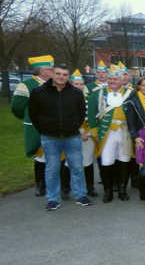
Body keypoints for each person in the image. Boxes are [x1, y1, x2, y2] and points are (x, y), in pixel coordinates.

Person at [28, 63, 91, 210]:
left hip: (72, 137)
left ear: (68, 76)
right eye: (58, 74)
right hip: (50, 138)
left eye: (64, 74)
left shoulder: (75, 93)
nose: (61, 77)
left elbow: (81, 113)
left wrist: (73, 126)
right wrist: (44, 129)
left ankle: (80, 195)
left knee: (77, 167)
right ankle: (53, 199)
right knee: (52, 169)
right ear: (52, 74)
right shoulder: (39, 92)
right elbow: (34, 114)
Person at [88, 64, 134, 203]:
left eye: (115, 79)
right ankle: (108, 191)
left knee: (124, 160)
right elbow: (91, 113)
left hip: (124, 131)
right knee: (106, 161)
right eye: (110, 79)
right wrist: (94, 129)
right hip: (106, 132)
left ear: (122, 80)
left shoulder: (130, 93)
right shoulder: (98, 93)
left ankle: (122, 189)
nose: (112, 81)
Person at [11, 55, 54, 197]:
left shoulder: (56, 83)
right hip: (37, 127)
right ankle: (40, 185)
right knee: (41, 156)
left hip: (55, 125)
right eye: (50, 69)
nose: (53, 71)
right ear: (41, 71)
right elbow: (17, 106)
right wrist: (28, 118)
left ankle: (56, 184)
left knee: (56, 154)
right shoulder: (27, 85)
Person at [69, 70, 98, 197]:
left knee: (88, 161)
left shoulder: (89, 99)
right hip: (71, 134)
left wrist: (88, 133)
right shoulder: (66, 99)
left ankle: (90, 187)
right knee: (69, 162)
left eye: (81, 83)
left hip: (87, 134)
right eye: (76, 83)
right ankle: (67, 188)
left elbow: (93, 117)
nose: (79, 86)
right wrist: (78, 133)